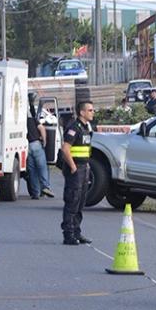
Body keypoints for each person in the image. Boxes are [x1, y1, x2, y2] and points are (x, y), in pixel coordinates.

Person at [60, 100, 94, 245]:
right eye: (90, 110)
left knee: (80, 202)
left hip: (84, 168)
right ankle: (68, 234)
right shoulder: (74, 128)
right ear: (82, 112)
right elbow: (65, 148)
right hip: (76, 169)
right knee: (72, 201)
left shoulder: (86, 127)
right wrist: (73, 167)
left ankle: (77, 232)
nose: (93, 112)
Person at [26, 103, 53, 199]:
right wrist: (44, 141)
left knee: (32, 171)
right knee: (42, 167)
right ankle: (45, 187)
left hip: (26, 146)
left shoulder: (19, 122)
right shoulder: (32, 120)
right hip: (36, 144)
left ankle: (35, 193)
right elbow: (41, 128)